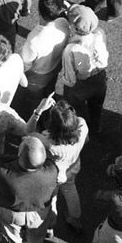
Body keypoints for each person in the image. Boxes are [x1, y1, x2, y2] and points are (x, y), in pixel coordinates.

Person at [29, 97, 88, 233]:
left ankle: (49, 226)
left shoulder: (48, 141)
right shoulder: (82, 125)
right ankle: (75, 218)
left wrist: (38, 111)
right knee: (70, 190)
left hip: (55, 174)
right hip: (73, 166)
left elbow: (29, 132)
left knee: (52, 198)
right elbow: (86, 138)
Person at [0, 136, 58, 243]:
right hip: (38, 214)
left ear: (19, 156)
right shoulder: (52, 171)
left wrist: (19, 156)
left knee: (12, 241)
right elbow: (49, 162)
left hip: (12, 213)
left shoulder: (4, 173)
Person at [61, 5, 108, 135]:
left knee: (75, 110)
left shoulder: (70, 49)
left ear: (75, 27)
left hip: (80, 85)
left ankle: (79, 132)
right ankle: (95, 127)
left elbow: (69, 77)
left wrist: (69, 88)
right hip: (99, 79)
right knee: (96, 107)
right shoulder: (99, 34)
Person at [18, 0, 69, 108]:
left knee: (34, 97)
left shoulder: (34, 39)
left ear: (39, 13)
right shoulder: (63, 23)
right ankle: (50, 100)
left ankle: (38, 114)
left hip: (38, 74)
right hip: (56, 66)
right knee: (51, 87)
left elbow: (26, 63)